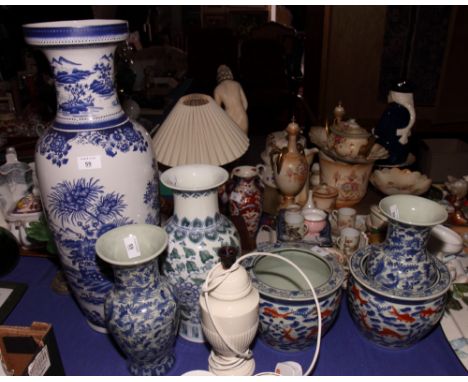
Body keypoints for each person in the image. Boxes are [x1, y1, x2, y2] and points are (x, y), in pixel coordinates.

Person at [214, 65, 249, 135]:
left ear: (218, 75)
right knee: (244, 141)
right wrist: (241, 111)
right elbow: (245, 103)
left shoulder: (217, 89)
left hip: (229, 117)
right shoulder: (237, 84)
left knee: (231, 143)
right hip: (242, 115)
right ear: (230, 72)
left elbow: (217, 110)